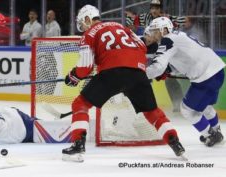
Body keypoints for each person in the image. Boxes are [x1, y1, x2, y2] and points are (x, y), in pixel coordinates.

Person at [62, 5, 185, 162]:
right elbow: (141, 46)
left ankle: (78, 144)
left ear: (87, 18)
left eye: (82, 23)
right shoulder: (123, 27)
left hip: (111, 74)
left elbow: (85, 67)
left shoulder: (89, 33)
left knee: (80, 104)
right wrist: (138, 67)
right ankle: (175, 143)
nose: (83, 28)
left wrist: (73, 76)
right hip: (138, 74)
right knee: (152, 111)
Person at [146, 17, 225, 147]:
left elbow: (157, 67)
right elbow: (183, 61)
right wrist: (168, 71)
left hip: (205, 78)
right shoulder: (180, 35)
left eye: (156, 31)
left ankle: (210, 135)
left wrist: (141, 73)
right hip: (217, 71)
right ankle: (216, 131)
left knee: (187, 110)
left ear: (164, 30)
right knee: (205, 107)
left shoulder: (167, 39)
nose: (154, 34)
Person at [126, 0, 185, 112]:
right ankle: (144, 105)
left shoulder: (166, 18)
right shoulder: (145, 17)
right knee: (145, 77)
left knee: (169, 78)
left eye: (157, 8)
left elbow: (184, 21)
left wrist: (179, 23)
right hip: (150, 48)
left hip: (164, 49)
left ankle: (179, 104)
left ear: (160, 9)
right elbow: (131, 22)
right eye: (152, 8)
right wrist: (130, 18)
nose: (154, 10)